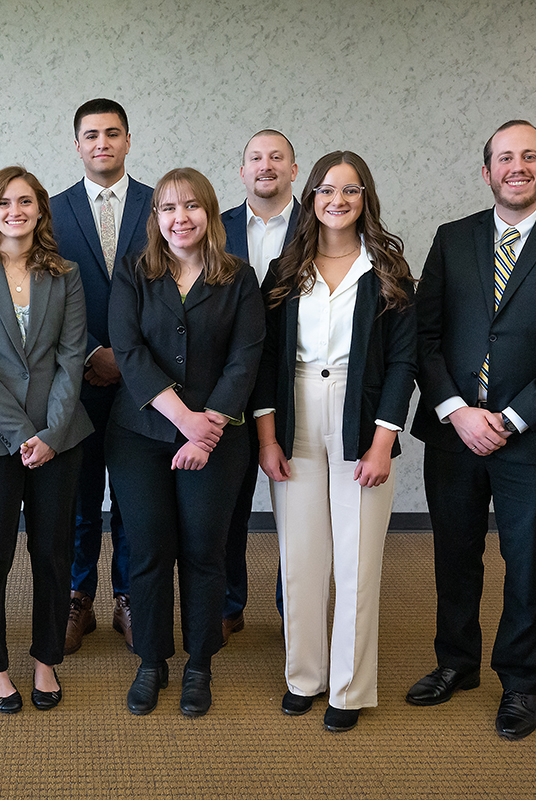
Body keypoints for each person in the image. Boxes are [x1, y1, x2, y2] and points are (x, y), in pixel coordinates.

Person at [407, 120, 536, 740]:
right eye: (504, 158)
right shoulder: (451, 239)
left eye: (529, 157)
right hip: (453, 434)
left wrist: (512, 418)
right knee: (454, 555)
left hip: (534, 440)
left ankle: (520, 682)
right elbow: (425, 336)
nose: (515, 166)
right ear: (487, 170)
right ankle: (455, 664)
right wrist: (456, 411)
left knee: (527, 565)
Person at [253, 151, 417, 733]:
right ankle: (304, 677)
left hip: (362, 413)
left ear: (365, 198)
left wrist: (382, 442)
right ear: (311, 199)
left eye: (350, 190)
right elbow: (267, 356)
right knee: (300, 558)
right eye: (326, 190)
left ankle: (348, 688)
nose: (337, 200)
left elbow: (403, 362)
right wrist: (267, 436)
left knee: (356, 562)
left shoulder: (389, 270)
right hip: (294, 411)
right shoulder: (285, 269)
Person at [106, 168, 265, 717]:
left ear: (211, 214)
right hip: (140, 435)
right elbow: (127, 353)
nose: (181, 218)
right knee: (148, 549)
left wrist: (210, 426)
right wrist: (186, 421)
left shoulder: (238, 278)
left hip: (218, 439)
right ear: (156, 219)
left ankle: (200, 664)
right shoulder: (134, 273)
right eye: (169, 209)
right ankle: (152, 661)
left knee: (204, 549)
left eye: (192, 207)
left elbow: (247, 358)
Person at [0, 166, 93, 714]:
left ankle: (45, 658)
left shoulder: (67, 274)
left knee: (53, 553)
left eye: (26, 201)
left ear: (40, 210)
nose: (16, 210)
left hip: (60, 436)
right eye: (5, 202)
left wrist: (51, 433)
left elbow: (70, 357)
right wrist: (21, 434)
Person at [50, 98, 152, 655]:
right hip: (77, 375)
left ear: (128, 140)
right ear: (77, 145)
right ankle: (76, 598)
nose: (102, 143)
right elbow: (45, 294)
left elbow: (172, 287)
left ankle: (129, 598)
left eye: (112, 134)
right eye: (91, 135)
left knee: (135, 498)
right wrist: (92, 353)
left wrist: (129, 356)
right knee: (80, 496)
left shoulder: (160, 203)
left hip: (144, 382)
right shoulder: (51, 208)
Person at [220, 128, 301, 644]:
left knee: (298, 504)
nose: (265, 165)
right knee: (227, 506)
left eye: (277, 157)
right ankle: (229, 603)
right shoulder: (215, 227)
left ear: (296, 170)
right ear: (241, 170)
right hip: (228, 386)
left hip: (297, 386)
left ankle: (293, 603)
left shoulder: (322, 225)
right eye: (255, 157)